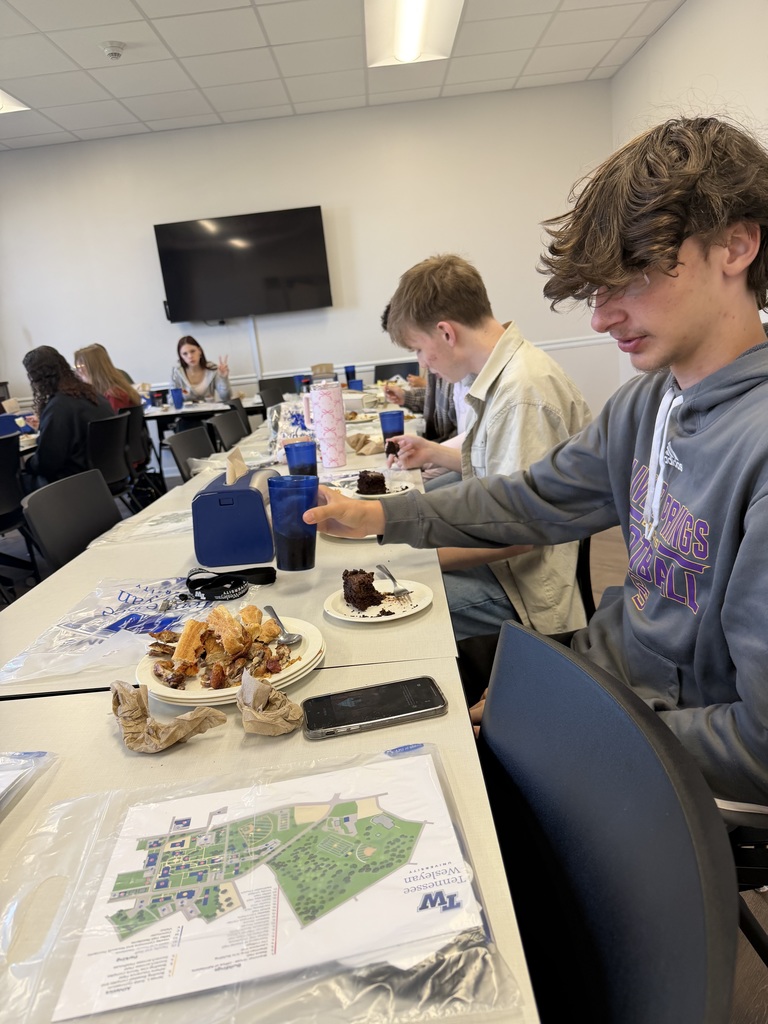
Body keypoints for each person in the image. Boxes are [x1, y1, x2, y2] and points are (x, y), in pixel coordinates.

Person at [304, 116, 768, 805]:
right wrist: (382, 515)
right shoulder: (646, 405)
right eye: (596, 291)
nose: (600, 318)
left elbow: (758, 744)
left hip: (671, 769)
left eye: (633, 276)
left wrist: (562, 721)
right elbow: (529, 500)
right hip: (607, 688)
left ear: (735, 246)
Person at [380, 254, 592, 641]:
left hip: (526, 588)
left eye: (418, 349)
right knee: (393, 566)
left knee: (385, 605)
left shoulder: (521, 394)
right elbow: (492, 485)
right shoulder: (503, 377)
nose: (422, 364)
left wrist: (420, 558)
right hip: (506, 564)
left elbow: (518, 535)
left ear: (446, 333)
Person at [22, 345, 112, 489]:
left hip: (78, 484)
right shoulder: (94, 395)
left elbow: (47, 463)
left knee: (19, 480)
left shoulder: (58, 406)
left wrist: (27, 464)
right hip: (110, 475)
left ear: (37, 378)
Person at [73, 344, 141, 412]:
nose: (78, 372)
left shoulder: (114, 395)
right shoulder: (115, 389)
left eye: (80, 367)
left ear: (93, 369)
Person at [170, 336, 231, 402]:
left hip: (210, 408)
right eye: (185, 354)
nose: (190, 356)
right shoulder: (177, 372)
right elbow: (172, 401)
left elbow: (226, 397)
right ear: (181, 356)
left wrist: (223, 378)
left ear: (200, 351)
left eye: (193, 351)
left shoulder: (212, 369)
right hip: (187, 408)